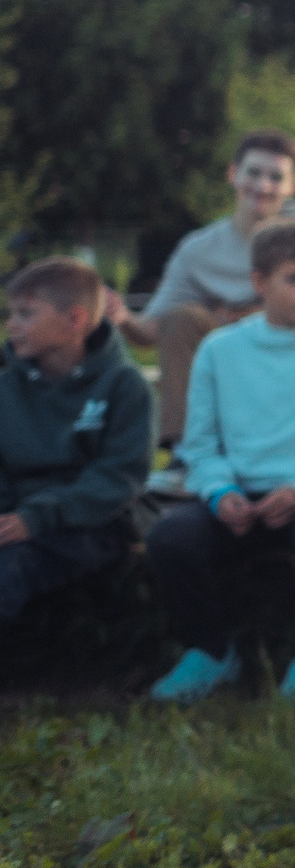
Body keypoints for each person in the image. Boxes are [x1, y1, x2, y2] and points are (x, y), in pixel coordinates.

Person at [143, 220, 295, 703]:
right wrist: (220, 491)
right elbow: (200, 444)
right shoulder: (221, 349)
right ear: (259, 282)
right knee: (171, 537)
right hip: (240, 496)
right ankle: (209, 652)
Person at [108, 130, 295, 450]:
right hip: (228, 349)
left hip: (292, 343)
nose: (263, 186)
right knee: (183, 318)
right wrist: (122, 318)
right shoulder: (198, 249)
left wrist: (237, 316)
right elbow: (153, 331)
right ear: (234, 175)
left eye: (276, 177)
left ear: (292, 186)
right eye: (254, 173)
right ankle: (185, 449)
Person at [0, 258, 153, 634]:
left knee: (11, 567)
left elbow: (118, 478)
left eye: (26, 314)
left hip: (89, 522)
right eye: (10, 313)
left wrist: (36, 517)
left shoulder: (124, 385)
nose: (11, 325)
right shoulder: (7, 384)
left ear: (75, 321)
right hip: (15, 515)